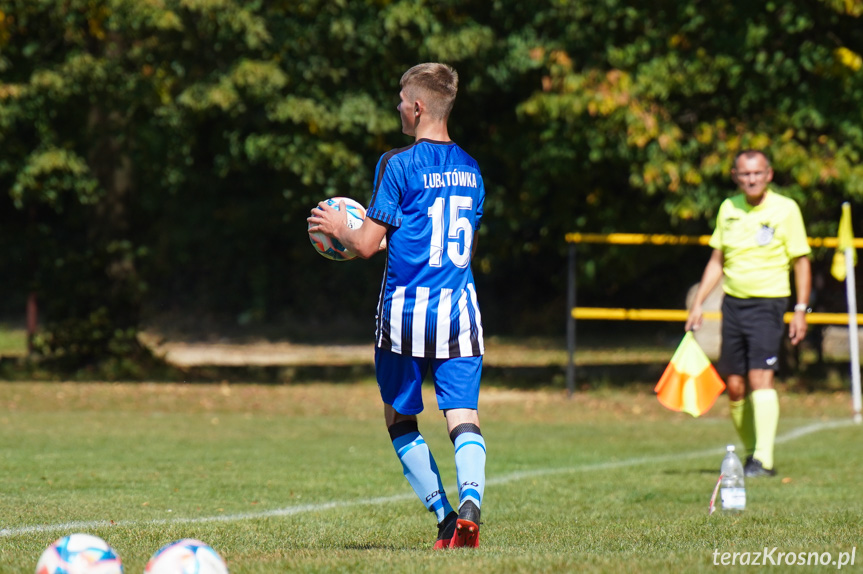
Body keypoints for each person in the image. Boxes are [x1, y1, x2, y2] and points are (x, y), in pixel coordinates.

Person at [307, 63, 486, 548]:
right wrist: (376, 236)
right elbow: (432, 237)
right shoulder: (472, 168)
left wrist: (338, 228)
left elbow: (366, 246)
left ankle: (446, 517)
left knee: (400, 418)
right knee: (462, 415)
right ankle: (471, 499)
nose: (398, 106)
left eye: (401, 98)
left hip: (406, 314)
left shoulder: (397, 164)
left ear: (419, 106)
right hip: (459, 313)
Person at [686, 149, 811, 477]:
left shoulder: (786, 209)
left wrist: (800, 309)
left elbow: (801, 260)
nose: (751, 179)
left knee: (760, 377)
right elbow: (717, 260)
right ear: (735, 176)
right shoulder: (728, 208)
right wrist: (698, 304)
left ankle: (763, 460)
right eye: (745, 174)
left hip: (768, 304)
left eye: (757, 173)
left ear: (768, 174)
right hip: (734, 305)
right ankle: (753, 454)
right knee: (736, 385)